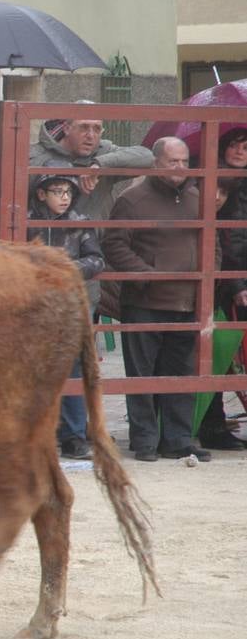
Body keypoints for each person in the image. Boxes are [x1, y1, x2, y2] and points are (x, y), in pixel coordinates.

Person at [102, 137, 212, 462]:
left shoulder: (197, 199)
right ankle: (145, 441)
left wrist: (208, 278)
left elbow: (213, 242)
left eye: (184, 161)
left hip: (187, 301)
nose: (179, 168)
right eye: (172, 161)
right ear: (156, 163)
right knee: (142, 375)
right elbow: (115, 245)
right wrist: (146, 274)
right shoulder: (132, 200)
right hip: (144, 302)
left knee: (181, 374)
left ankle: (178, 440)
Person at [27, 174, 106, 460]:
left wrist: (64, 267)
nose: (64, 197)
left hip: (68, 305)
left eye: (68, 192)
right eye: (57, 191)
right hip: (30, 307)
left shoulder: (79, 222)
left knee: (72, 368)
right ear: (40, 194)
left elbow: (97, 259)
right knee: (31, 370)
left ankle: (73, 435)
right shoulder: (24, 221)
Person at [196, 126, 247, 450]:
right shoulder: (216, 185)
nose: (240, 152)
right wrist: (238, 283)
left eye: (246, 146)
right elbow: (223, 244)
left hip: (237, 282)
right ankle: (212, 426)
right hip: (227, 286)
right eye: (235, 145)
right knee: (216, 356)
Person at [30, 101, 155, 223]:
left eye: (97, 129)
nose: (91, 135)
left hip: (95, 240)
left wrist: (100, 164)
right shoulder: (36, 156)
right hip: (47, 239)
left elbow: (147, 157)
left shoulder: (104, 151)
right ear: (67, 129)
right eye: (84, 127)